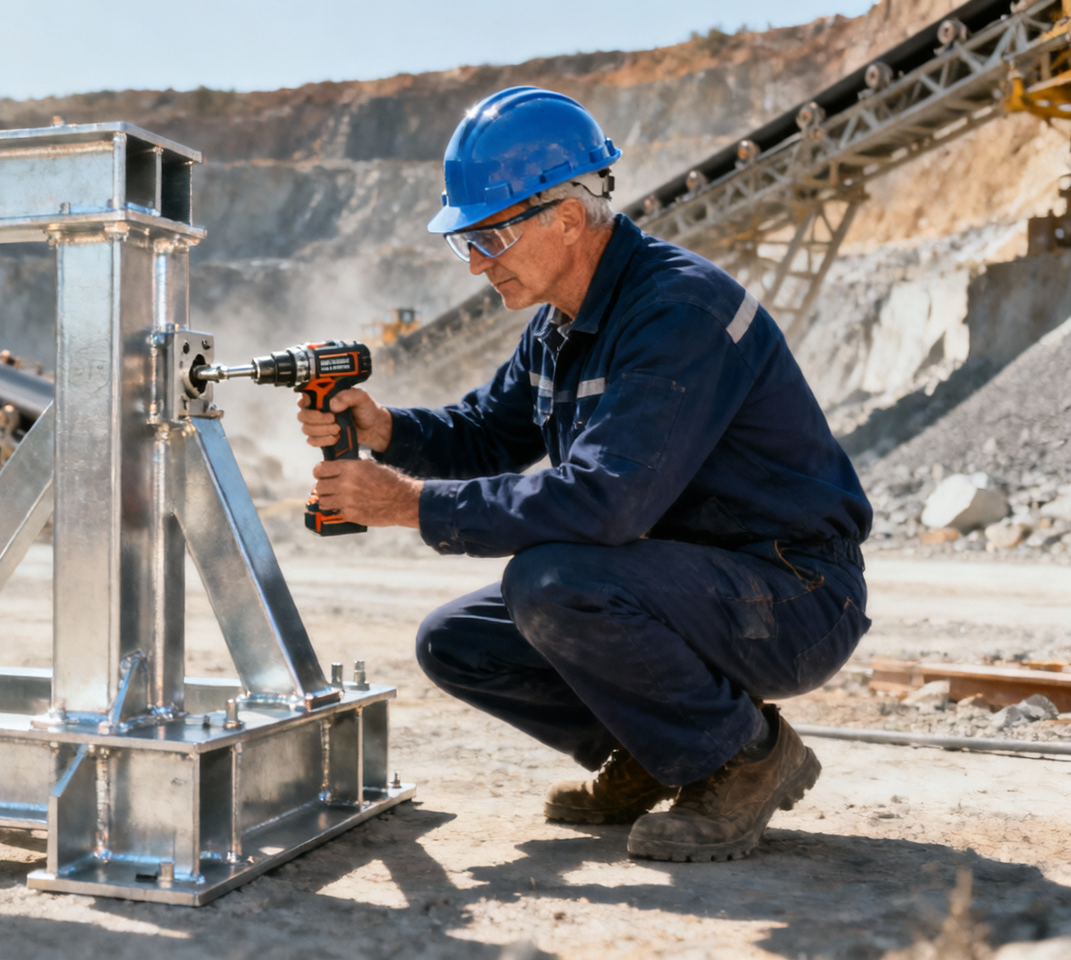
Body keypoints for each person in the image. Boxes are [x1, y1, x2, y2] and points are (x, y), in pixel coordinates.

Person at [298, 86, 872, 863]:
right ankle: (654, 747)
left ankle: (741, 755)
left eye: (488, 236)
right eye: (462, 242)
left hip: (793, 593)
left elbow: (605, 503)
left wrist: (410, 506)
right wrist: (388, 430)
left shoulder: (677, 311)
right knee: (457, 641)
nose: (474, 263)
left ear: (565, 217)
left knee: (552, 580)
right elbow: (487, 433)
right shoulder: (560, 325)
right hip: (686, 585)